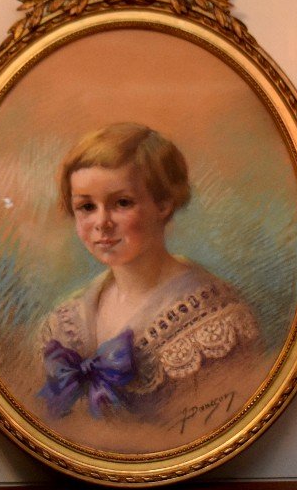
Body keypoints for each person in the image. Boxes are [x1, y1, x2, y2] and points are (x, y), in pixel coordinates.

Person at [36, 122, 265, 453]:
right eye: (86, 206)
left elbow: (210, 436)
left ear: (164, 204)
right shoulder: (66, 321)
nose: (102, 222)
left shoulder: (217, 322)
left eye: (122, 203)